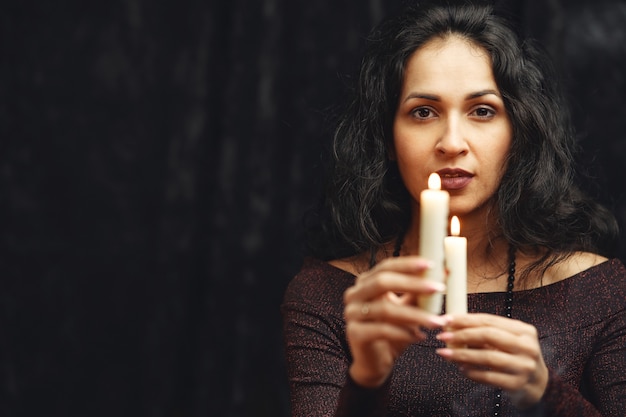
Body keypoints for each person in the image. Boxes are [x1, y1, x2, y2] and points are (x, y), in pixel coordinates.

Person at [281, 1, 626, 416]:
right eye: (423, 112)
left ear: (517, 132)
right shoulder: (328, 294)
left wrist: (544, 393)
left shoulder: (597, 290)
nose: (451, 142)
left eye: (482, 111)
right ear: (388, 138)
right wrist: (367, 379)